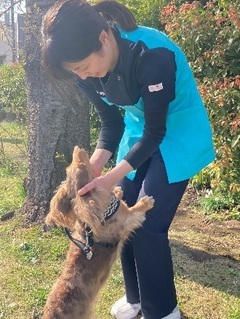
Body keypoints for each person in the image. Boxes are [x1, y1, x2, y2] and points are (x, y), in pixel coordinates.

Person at [41, 1, 215, 318]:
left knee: (148, 225)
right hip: (138, 132)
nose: (83, 75)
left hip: (178, 134)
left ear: (104, 38)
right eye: (75, 71)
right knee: (117, 215)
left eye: (84, 66)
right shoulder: (87, 73)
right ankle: (136, 299)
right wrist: (94, 167)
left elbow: (157, 132)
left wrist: (109, 178)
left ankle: (161, 310)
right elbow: (112, 123)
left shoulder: (152, 55)